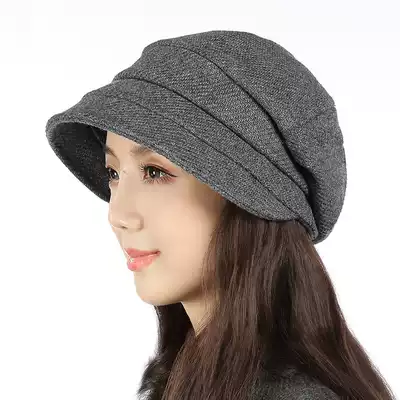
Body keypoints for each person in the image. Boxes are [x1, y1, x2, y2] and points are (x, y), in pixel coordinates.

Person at [45, 30, 396, 400]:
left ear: (248, 200)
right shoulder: (191, 379)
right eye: (113, 174)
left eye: (155, 172)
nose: (118, 215)